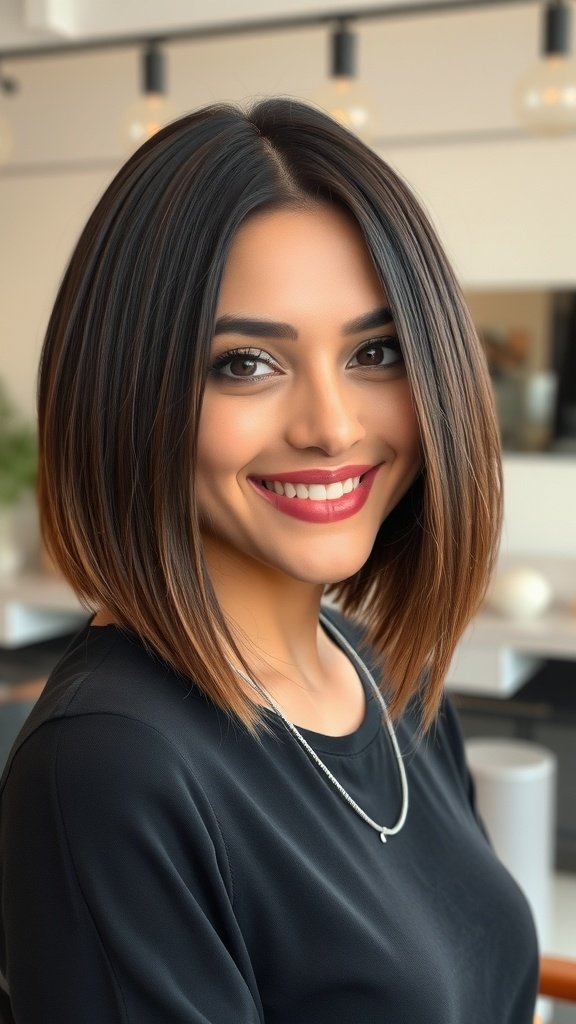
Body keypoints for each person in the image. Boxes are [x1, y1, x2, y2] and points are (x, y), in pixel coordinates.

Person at [0, 98, 539, 1023]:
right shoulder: (107, 769)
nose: (331, 426)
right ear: (128, 393)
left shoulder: (388, 674)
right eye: (246, 363)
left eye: (375, 351)